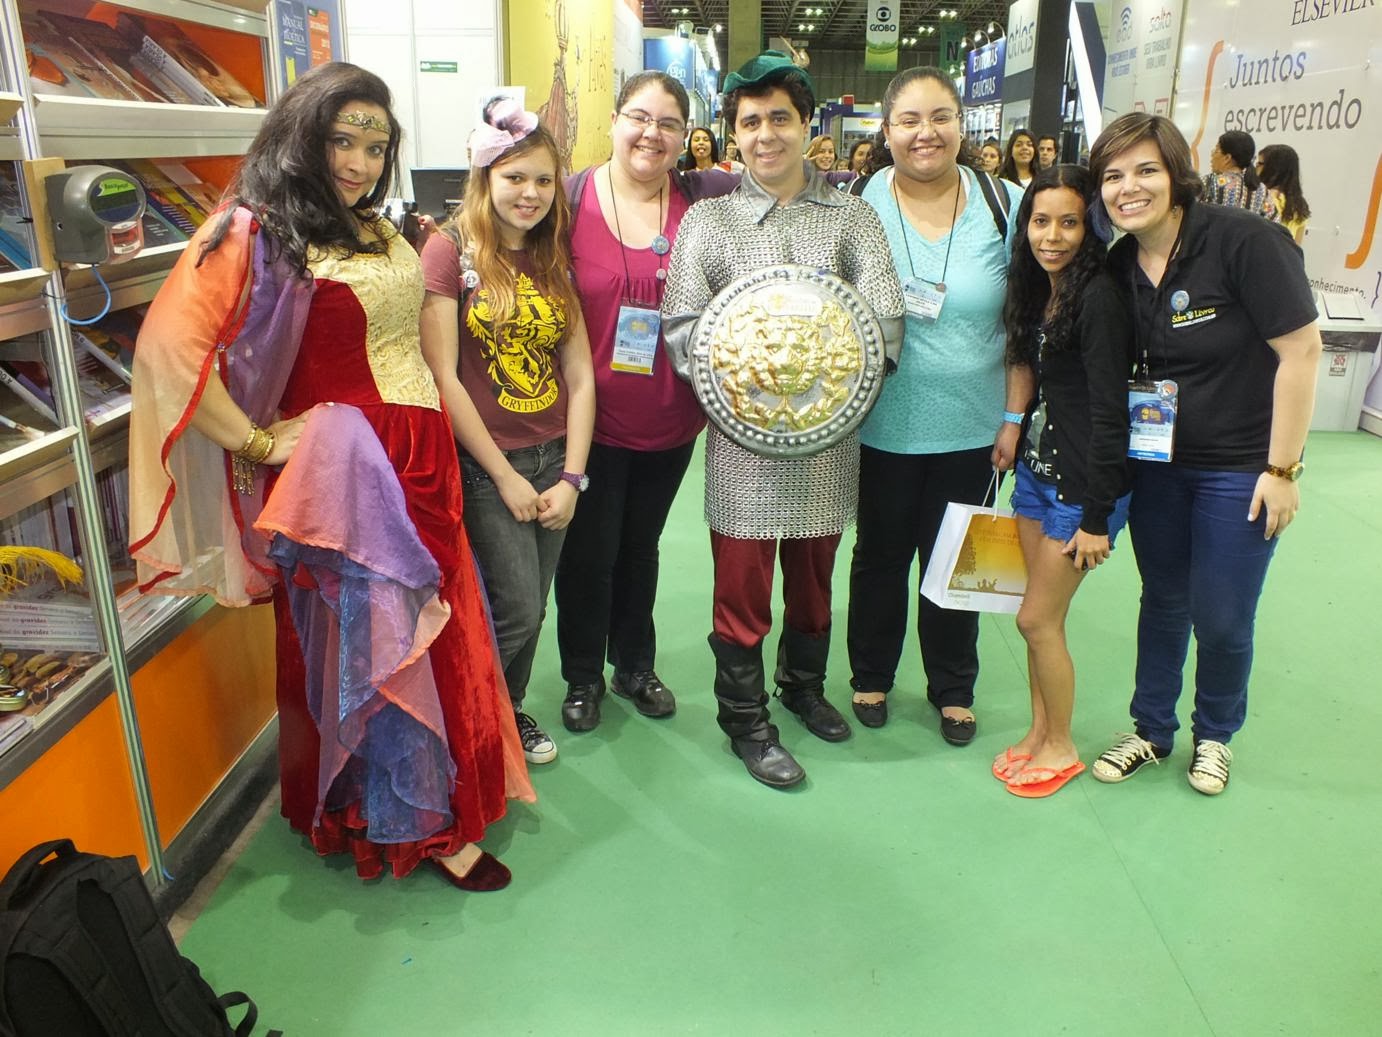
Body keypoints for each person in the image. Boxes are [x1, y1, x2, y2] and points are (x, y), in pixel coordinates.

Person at [128, 62, 533, 890]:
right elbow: (167, 350)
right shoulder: (254, 227)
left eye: (375, 147)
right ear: (301, 137)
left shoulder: (375, 225)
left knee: (437, 635)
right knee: (375, 646)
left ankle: (446, 801)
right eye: (341, 141)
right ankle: (412, 830)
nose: (358, 162)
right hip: (351, 477)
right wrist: (255, 442)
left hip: (423, 462)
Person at [662, 51, 904, 789]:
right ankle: (745, 719)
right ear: (732, 133)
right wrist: (741, 394)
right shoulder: (709, 221)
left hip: (827, 441)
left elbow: (885, 319)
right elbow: (682, 327)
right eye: (749, 122)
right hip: (744, 446)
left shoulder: (852, 216)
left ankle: (802, 686)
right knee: (740, 585)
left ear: (806, 125)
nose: (765, 135)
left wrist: (841, 392)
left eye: (779, 119)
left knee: (814, 580)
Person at [1088, 113, 1321, 795]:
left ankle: (1215, 734)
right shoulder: (1119, 265)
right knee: (1163, 599)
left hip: (1240, 468)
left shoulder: (1245, 241)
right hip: (1158, 465)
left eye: (1145, 170)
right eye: (1113, 176)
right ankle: (1151, 729)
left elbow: (1302, 352)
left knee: (1221, 613)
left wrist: (1282, 469)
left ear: (1177, 173)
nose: (1129, 188)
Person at [554, 71, 736, 733]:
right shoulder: (569, 198)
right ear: (613, 121)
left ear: (685, 136)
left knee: (641, 546)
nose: (650, 134)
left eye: (667, 123)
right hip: (588, 420)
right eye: (638, 116)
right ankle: (582, 675)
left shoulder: (704, 198)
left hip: (672, 416)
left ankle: (634, 665)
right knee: (589, 552)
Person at [845, 66, 1023, 742]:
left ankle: (954, 686)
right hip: (878, 424)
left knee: (962, 561)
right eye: (909, 120)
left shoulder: (1005, 203)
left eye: (940, 117)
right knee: (880, 556)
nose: (926, 133)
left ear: (962, 125)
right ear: (887, 131)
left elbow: (1027, 324)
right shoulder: (856, 202)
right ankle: (871, 674)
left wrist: (1014, 417)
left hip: (976, 426)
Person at [418, 101, 596, 768]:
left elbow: (579, 373)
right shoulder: (449, 250)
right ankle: (465, 722)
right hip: (488, 465)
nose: (531, 193)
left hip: (554, 459)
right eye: (515, 177)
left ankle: (506, 710)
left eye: (544, 180)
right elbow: (444, 375)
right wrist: (503, 475)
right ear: (485, 176)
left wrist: (572, 475)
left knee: (534, 606)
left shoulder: (552, 255)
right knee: (512, 607)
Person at [991, 164, 1134, 797]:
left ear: (1090, 227)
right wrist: (1012, 427)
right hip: (1035, 474)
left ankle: (1062, 745)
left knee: (1035, 620)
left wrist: (1097, 516)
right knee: (1040, 620)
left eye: (1069, 223)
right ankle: (1039, 732)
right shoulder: (1035, 286)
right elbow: (1029, 368)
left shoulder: (1099, 297)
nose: (1052, 237)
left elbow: (1110, 413)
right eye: (1040, 221)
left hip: (1082, 489)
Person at [1202, 130, 1275, 220]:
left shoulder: (1209, 183)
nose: (1212, 154)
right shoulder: (1262, 190)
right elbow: (1272, 221)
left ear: (1227, 158)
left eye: (1216, 150)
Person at [1257, 144, 1310, 244]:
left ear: (1273, 168)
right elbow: (1297, 245)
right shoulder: (1300, 205)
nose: (1255, 167)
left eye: (1260, 163)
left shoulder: (1262, 196)